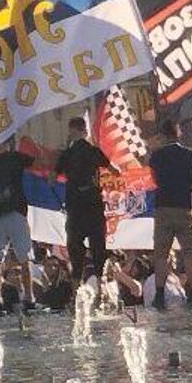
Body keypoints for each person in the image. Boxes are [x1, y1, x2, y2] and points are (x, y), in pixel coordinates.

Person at [147, 117, 192, 307]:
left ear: (163, 136)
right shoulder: (191, 155)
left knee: (161, 254)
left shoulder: (155, 157)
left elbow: (154, 180)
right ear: (178, 133)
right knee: (189, 252)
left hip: (163, 208)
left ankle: (160, 294)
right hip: (184, 207)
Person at [56, 115, 115, 288]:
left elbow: (54, 175)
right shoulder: (93, 150)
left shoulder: (67, 153)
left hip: (75, 207)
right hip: (93, 205)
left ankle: (77, 289)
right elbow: (113, 169)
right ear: (85, 131)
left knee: (75, 250)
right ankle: (101, 289)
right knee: (98, 248)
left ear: (73, 131)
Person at [0, 136, 36, 311]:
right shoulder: (15, 158)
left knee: (0, 259)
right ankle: (25, 298)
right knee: (21, 257)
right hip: (11, 212)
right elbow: (36, 163)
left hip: (0, 213)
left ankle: (1, 300)